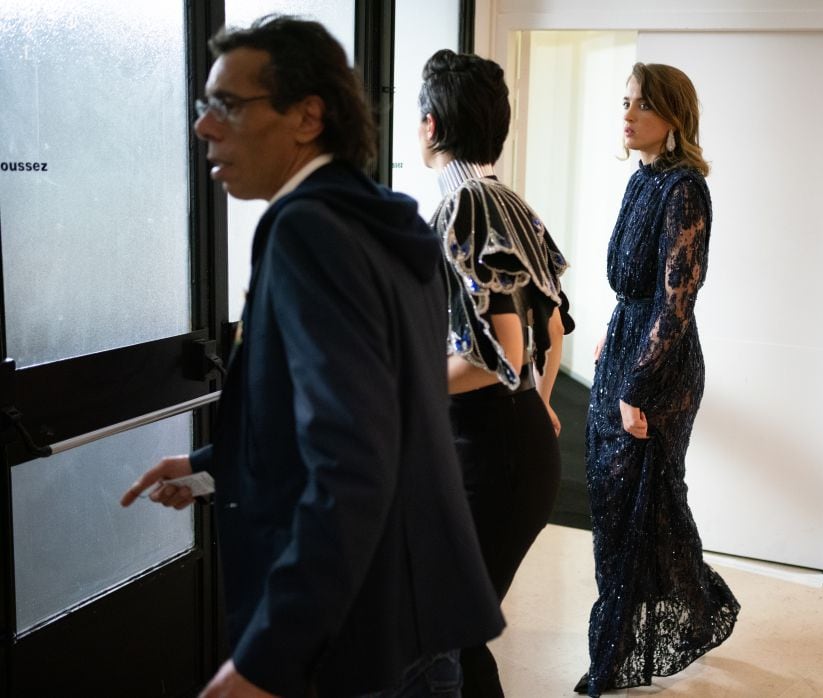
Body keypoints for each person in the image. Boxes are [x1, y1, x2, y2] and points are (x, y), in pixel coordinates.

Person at [120, 16, 503, 698]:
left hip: (354, 629)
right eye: (204, 107)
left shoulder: (305, 232)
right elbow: (378, 416)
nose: (205, 127)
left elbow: (352, 460)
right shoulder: (386, 217)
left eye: (227, 106)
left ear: (307, 117)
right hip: (417, 608)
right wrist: (212, 469)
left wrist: (269, 654)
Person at [575, 63, 740, 697]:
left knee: (642, 506)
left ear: (672, 117)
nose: (628, 115)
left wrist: (637, 384)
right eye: (625, 103)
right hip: (627, 346)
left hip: (660, 371)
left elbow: (677, 300)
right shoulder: (639, 181)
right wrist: (613, 331)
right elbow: (634, 287)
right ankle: (697, 605)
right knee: (626, 505)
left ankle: (612, 651)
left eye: (641, 105)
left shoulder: (684, 190)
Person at [417, 49, 573, 698]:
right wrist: (538, 404)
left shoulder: (464, 209)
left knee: (440, 629)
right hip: (510, 450)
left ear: (429, 125)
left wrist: (402, 383)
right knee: (451, 628)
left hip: (496, 458)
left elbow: (498, 357)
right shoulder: (509, 204)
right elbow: (553, 329)